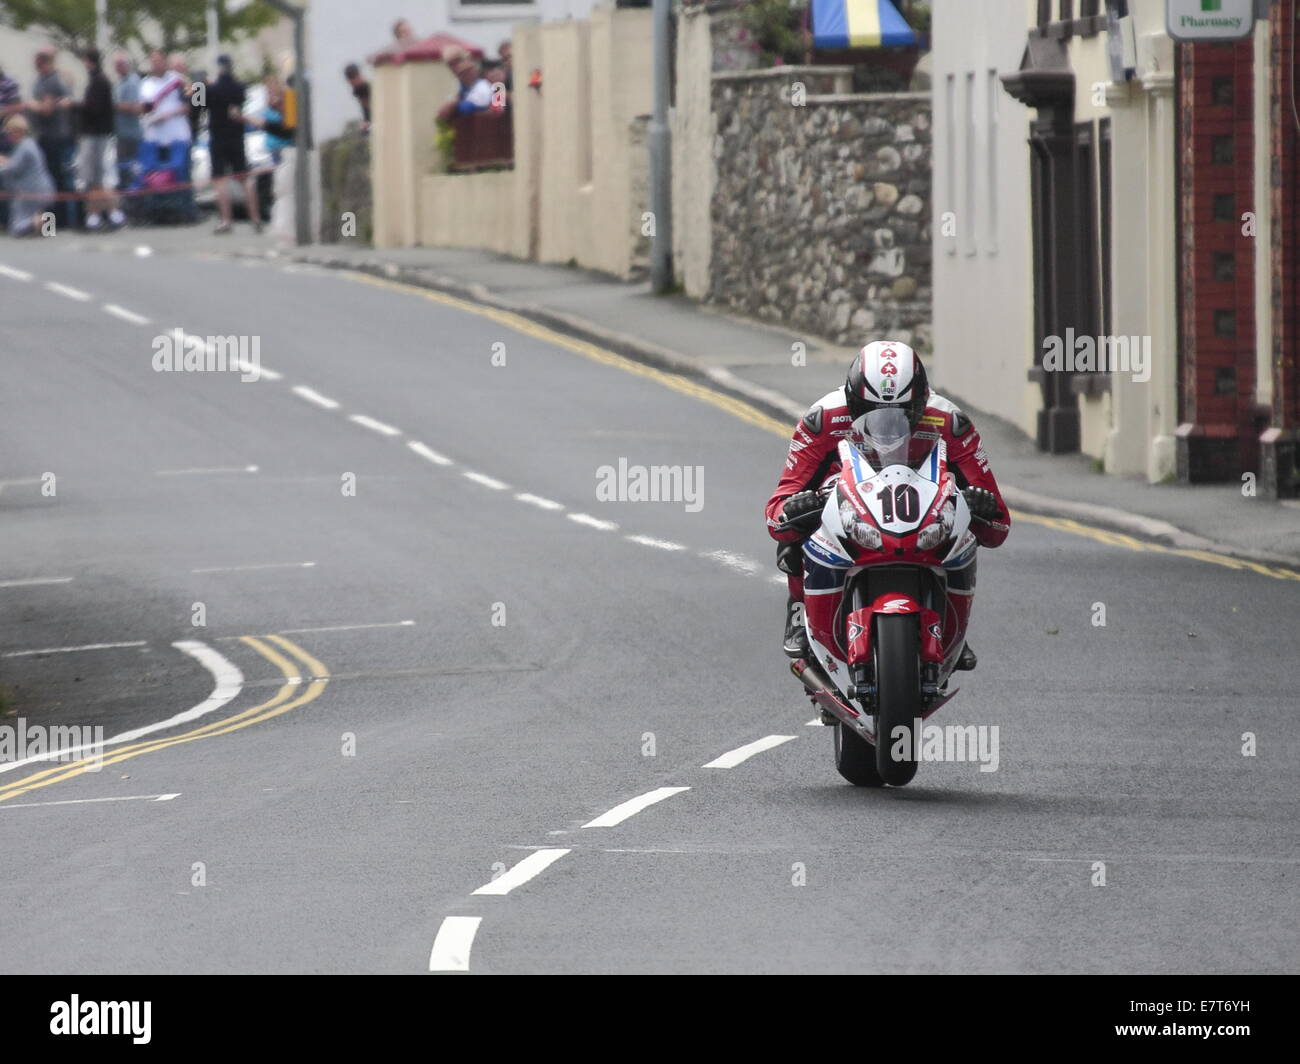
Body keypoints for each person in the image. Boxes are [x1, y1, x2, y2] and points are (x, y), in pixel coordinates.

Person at [764, 342, 1010, 665]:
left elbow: (999, 524)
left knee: (963, 529)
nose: (888, 427)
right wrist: (794, 510)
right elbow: (777, 509)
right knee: (797, 530)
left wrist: (980, 505)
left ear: (922, 401)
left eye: (903, 415)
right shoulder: (822, 420)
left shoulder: (950, 423)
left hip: (923, 512)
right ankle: (799, 605)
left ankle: (951, 625)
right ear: (853, 402)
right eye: (872, 413)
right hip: (849, 506)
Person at [207, 55, 260, 234]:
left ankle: (226, 221)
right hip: (237, 137)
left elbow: (197, 104)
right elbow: (240, 104)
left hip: (217, 137)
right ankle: (255, 218)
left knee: (219, 180)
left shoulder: (211, 89)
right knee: (245, 177)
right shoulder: (239, 88)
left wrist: (199, 85)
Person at [78, 49, 125, 231]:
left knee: (96, 177)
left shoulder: (99, 81)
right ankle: (97, 215)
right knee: (94, 178)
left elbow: (94, 109)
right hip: (96, 134)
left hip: (96, 134)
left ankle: (108, 213)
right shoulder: (98, 80)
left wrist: (75, 106)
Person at [29, 48, 75, 228]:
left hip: (55, 137)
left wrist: (33, 105)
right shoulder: (40, 80)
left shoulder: (52, 81)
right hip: (44, 135)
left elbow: (47, 109)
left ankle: (59, 222)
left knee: (57, 178)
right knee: (48, 179)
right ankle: (52, 222)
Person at [0, 114, 55, 236]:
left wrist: (2, 162)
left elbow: (12, 168)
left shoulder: (25, 147)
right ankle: (44, 224)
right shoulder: (29, 144)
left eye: (9, 132)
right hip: (39, 189)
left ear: (17, 131)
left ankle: (44, 221)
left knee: (17, 230)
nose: (8, 136)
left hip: (31, 191)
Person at [112, 52, 142, 191]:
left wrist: (114, 105)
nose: (117, 68)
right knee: (121, 167)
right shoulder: (119, 83)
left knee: (130, 167)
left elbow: (135, 107)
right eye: (116, 65)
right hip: (120, 131)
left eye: (120, 64)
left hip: (130, 133)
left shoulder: (132, 82)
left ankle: (133, 199)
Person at [438, 54, 492, 121]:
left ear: (475, 71)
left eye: (469, 70)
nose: (467, 74)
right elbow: (441, 115)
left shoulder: (485, 85)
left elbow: (497, 110)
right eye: (462, 73)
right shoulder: (457, 87)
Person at [344, 63, 370, 128]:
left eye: (353, 76)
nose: (351, 81)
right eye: (350, 78)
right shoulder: (357, 91)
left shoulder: (367, 87)